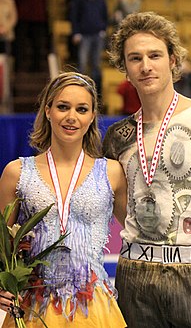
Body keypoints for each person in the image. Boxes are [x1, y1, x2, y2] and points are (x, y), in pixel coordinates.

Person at [103, 11, 191, 328]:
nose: (145, 66)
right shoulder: (117, 136)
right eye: (134, 58)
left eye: (154, 55)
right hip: (135, 274)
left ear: (173, 60)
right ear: (124, 69)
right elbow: (119, 202)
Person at [0, 71, 127, 327]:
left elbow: (144, 231)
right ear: (48, 110)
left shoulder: (113, 172)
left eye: (82, 109)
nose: (71, 117)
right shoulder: (16, 172)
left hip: (95, 308)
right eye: (62, 107)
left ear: (92, 117)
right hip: (32, 308)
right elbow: (2, 244)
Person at [69, 0, 108, 98]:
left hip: (97, 35)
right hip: (84, 35)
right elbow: (74, 17)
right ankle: (78, 92)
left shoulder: (101, 1)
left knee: (96, 65)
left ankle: (96, 94)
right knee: (82, 64)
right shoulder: (79, 1)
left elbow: (105, 16)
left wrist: (103, 29)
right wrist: (76, 32)